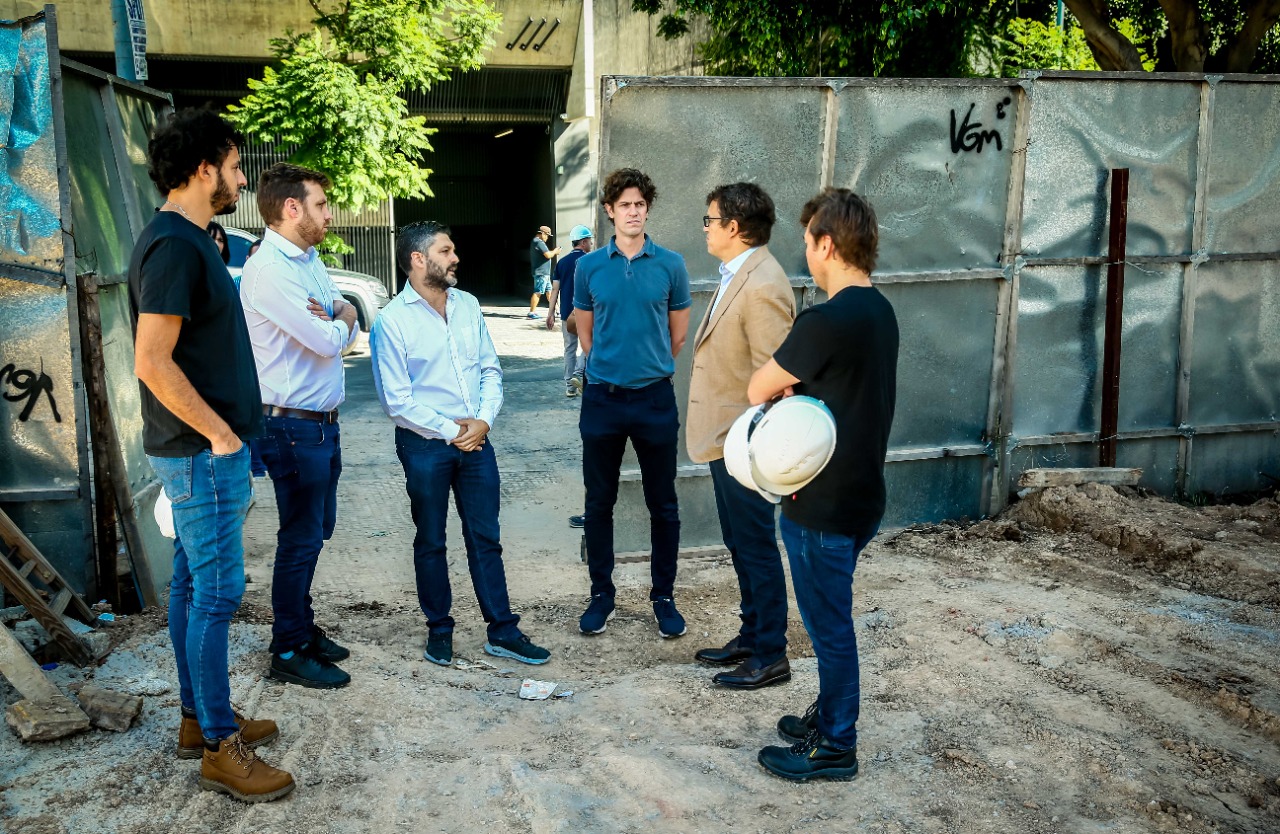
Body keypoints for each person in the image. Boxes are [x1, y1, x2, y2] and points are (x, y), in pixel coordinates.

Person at [129, 107, 293, 802]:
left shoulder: (194, 239)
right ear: (203, 169)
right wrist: (221, 435)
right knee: (218, 591)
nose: (240, 178)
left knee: (196, 585)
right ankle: (221, 748)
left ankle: (201, 721)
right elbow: (151, 361)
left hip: (203, 451)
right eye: (232, 165)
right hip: (201, 453)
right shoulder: (172, 245)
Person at [747, 188, 899, 783]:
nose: (805, 252)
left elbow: (760, 387)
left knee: (829, 629)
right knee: (830, 619)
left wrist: (791, 387)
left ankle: (837, 745)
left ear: (826, 244)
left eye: (807, 240)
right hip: (863, 496)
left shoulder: (826, 319)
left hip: (822, 504)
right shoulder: (879, 310)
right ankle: (828, 716)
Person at [371, 221, 551, 667]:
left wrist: (484, 422)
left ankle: (503, 631)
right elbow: (397, 402)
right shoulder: (392, 321)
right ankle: (440, 630)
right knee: (431, 539)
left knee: (486, 537)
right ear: (418, 259)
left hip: (477, 442)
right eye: (446, 251)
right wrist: (456, 431)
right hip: (425, 447)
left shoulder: (468, 305)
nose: (455, 258)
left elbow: (491, 370)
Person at [240, 163, 358, 689]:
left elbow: (338, 305)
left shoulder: (307, 259)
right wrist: (344, 319)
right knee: (300, 538)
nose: (328, 214)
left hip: (320, 424)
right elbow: (330, 337)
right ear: (292, 209)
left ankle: (301, 629)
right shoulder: (271, 271)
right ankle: (287, 647)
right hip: (290, 427)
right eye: (320, 205)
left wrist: (338, 310)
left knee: (315, 532)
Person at [573, 168, 692, 638]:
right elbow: (585, 332)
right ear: (609, 211)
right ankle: (602, 595)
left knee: (662, 503)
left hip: (654, 400)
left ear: (648, 208)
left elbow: (677, 335)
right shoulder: (588, 267)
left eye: (640, 203)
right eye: (624, 204)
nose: (633, 211)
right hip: (602, 399)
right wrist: (609, 368)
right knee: (598, 502)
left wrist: (647, 367)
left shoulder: (671, 264)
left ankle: (663, 596)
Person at [688, 183, 796, 689]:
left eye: (710, 220)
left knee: (754, 544)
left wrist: (758, 445)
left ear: (733, 227)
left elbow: (776, 379)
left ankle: (771, 653)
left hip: (747, 443)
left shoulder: (764, 282)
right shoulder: (739, 274)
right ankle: (753, 635)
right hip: (728, 440)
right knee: (739, 541)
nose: (706, 228)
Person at [546, 224, 592, 397]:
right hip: (586, 313)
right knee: (591, 345)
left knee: (569, 348)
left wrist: (551, 313)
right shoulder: (589, 261)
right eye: (590, 241)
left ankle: (570, 386)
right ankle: (578, 373)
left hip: (567, 314)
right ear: (584, 241)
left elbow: (555, 290)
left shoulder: (562, 263)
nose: (591, 244)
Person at [529, 224, 560, 319]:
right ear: (542, 233)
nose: (547, 238)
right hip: (541, 273)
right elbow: (548, 255)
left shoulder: (536, 242)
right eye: (547, 235)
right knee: (538, 291)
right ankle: (532, 312)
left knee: (549, 292)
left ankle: (557, 311)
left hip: (544, 273)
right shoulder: (539, 242)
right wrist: (555, 252)